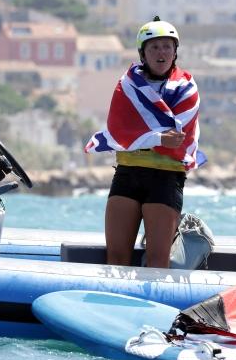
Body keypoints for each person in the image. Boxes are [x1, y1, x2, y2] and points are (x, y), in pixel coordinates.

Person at [84, 17, 202, 268]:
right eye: (154, 47)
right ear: (143, 53)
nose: (161, 52)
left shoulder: (187, 87)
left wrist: (143, 137)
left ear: (175, 52)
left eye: (167, 46)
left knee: (158, 261)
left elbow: (178, 136)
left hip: (166, 177)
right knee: (116, 258)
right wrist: (158, 137)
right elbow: (119, 131)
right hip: (127, 173)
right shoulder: (127, 84)